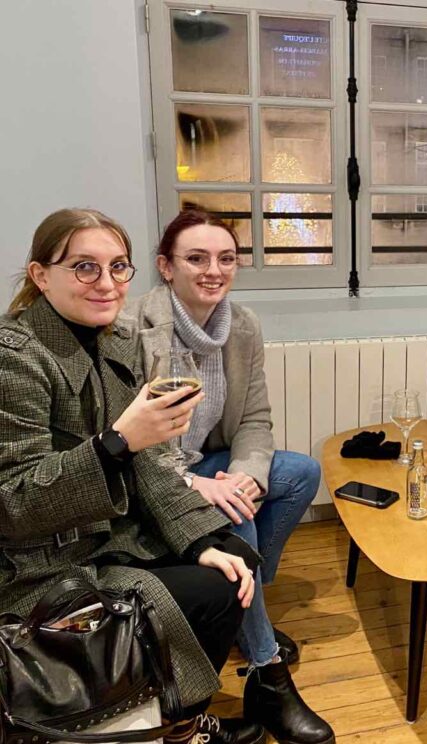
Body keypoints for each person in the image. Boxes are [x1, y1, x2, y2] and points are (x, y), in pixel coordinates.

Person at [0, 208, 265, 744]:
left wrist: (200, 540)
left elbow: (152, 460)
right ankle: (171, 720)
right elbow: (14, 502)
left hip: (109, 533)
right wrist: (117, 441)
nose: (106, 283)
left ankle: (180, 721)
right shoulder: (16, 359)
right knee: (211, 593)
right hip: (40, 563)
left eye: (118, 267)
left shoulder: (116, 339)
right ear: (40, 275)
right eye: (85, 267)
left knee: (235, 558)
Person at [125, 209, 333, 744]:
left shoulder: (243, 325)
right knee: (235, 521)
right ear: (166, 267)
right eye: (196, 258)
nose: (213, 270)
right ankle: (266, 668)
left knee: (300, 473)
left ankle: (243, 605)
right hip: (156, 476)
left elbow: (255, 420)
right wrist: (200, 486)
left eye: (226, 259)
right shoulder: (131, 327)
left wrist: (243, 476)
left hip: (212, 463)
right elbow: (131, 439)